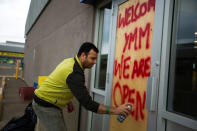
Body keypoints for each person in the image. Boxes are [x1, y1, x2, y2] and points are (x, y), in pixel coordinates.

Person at [32, 42, 131, 131]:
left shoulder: (70, 61)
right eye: (92, 58)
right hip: (45, 105)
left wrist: (67, 100)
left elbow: (61, 82)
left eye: (96, 59)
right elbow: (88, 104)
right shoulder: (75, 73)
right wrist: (116, 110)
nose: (95, 62)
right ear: (83, 55)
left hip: (47, 101)